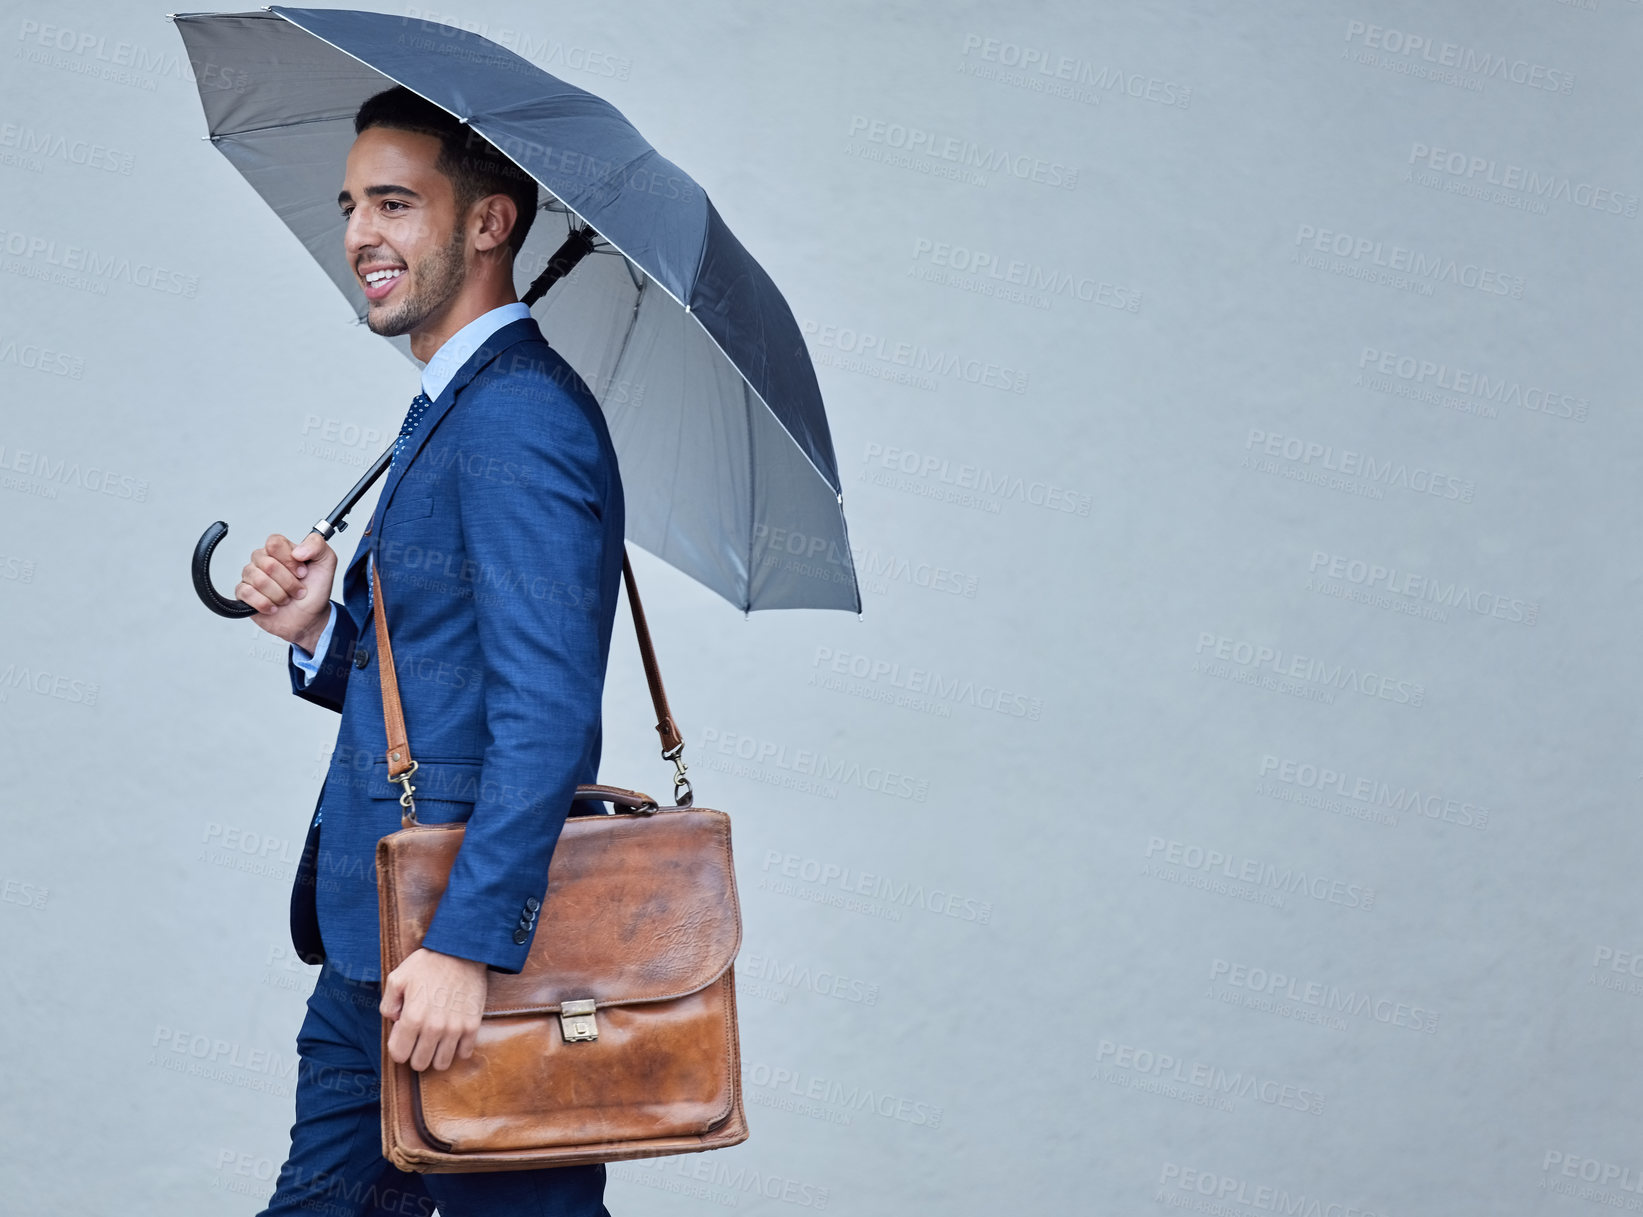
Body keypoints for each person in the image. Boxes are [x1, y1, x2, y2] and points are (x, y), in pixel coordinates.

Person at [233, 85, 623, 1216]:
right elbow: (447, 681)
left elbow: (547, 713)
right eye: (354, 202)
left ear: (488, 223)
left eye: (396, 203)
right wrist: (320, 633)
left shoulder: (518, 417)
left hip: (457, 954)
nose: (361, 233)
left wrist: (465, 950)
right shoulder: (459, 405)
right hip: (382, 938)